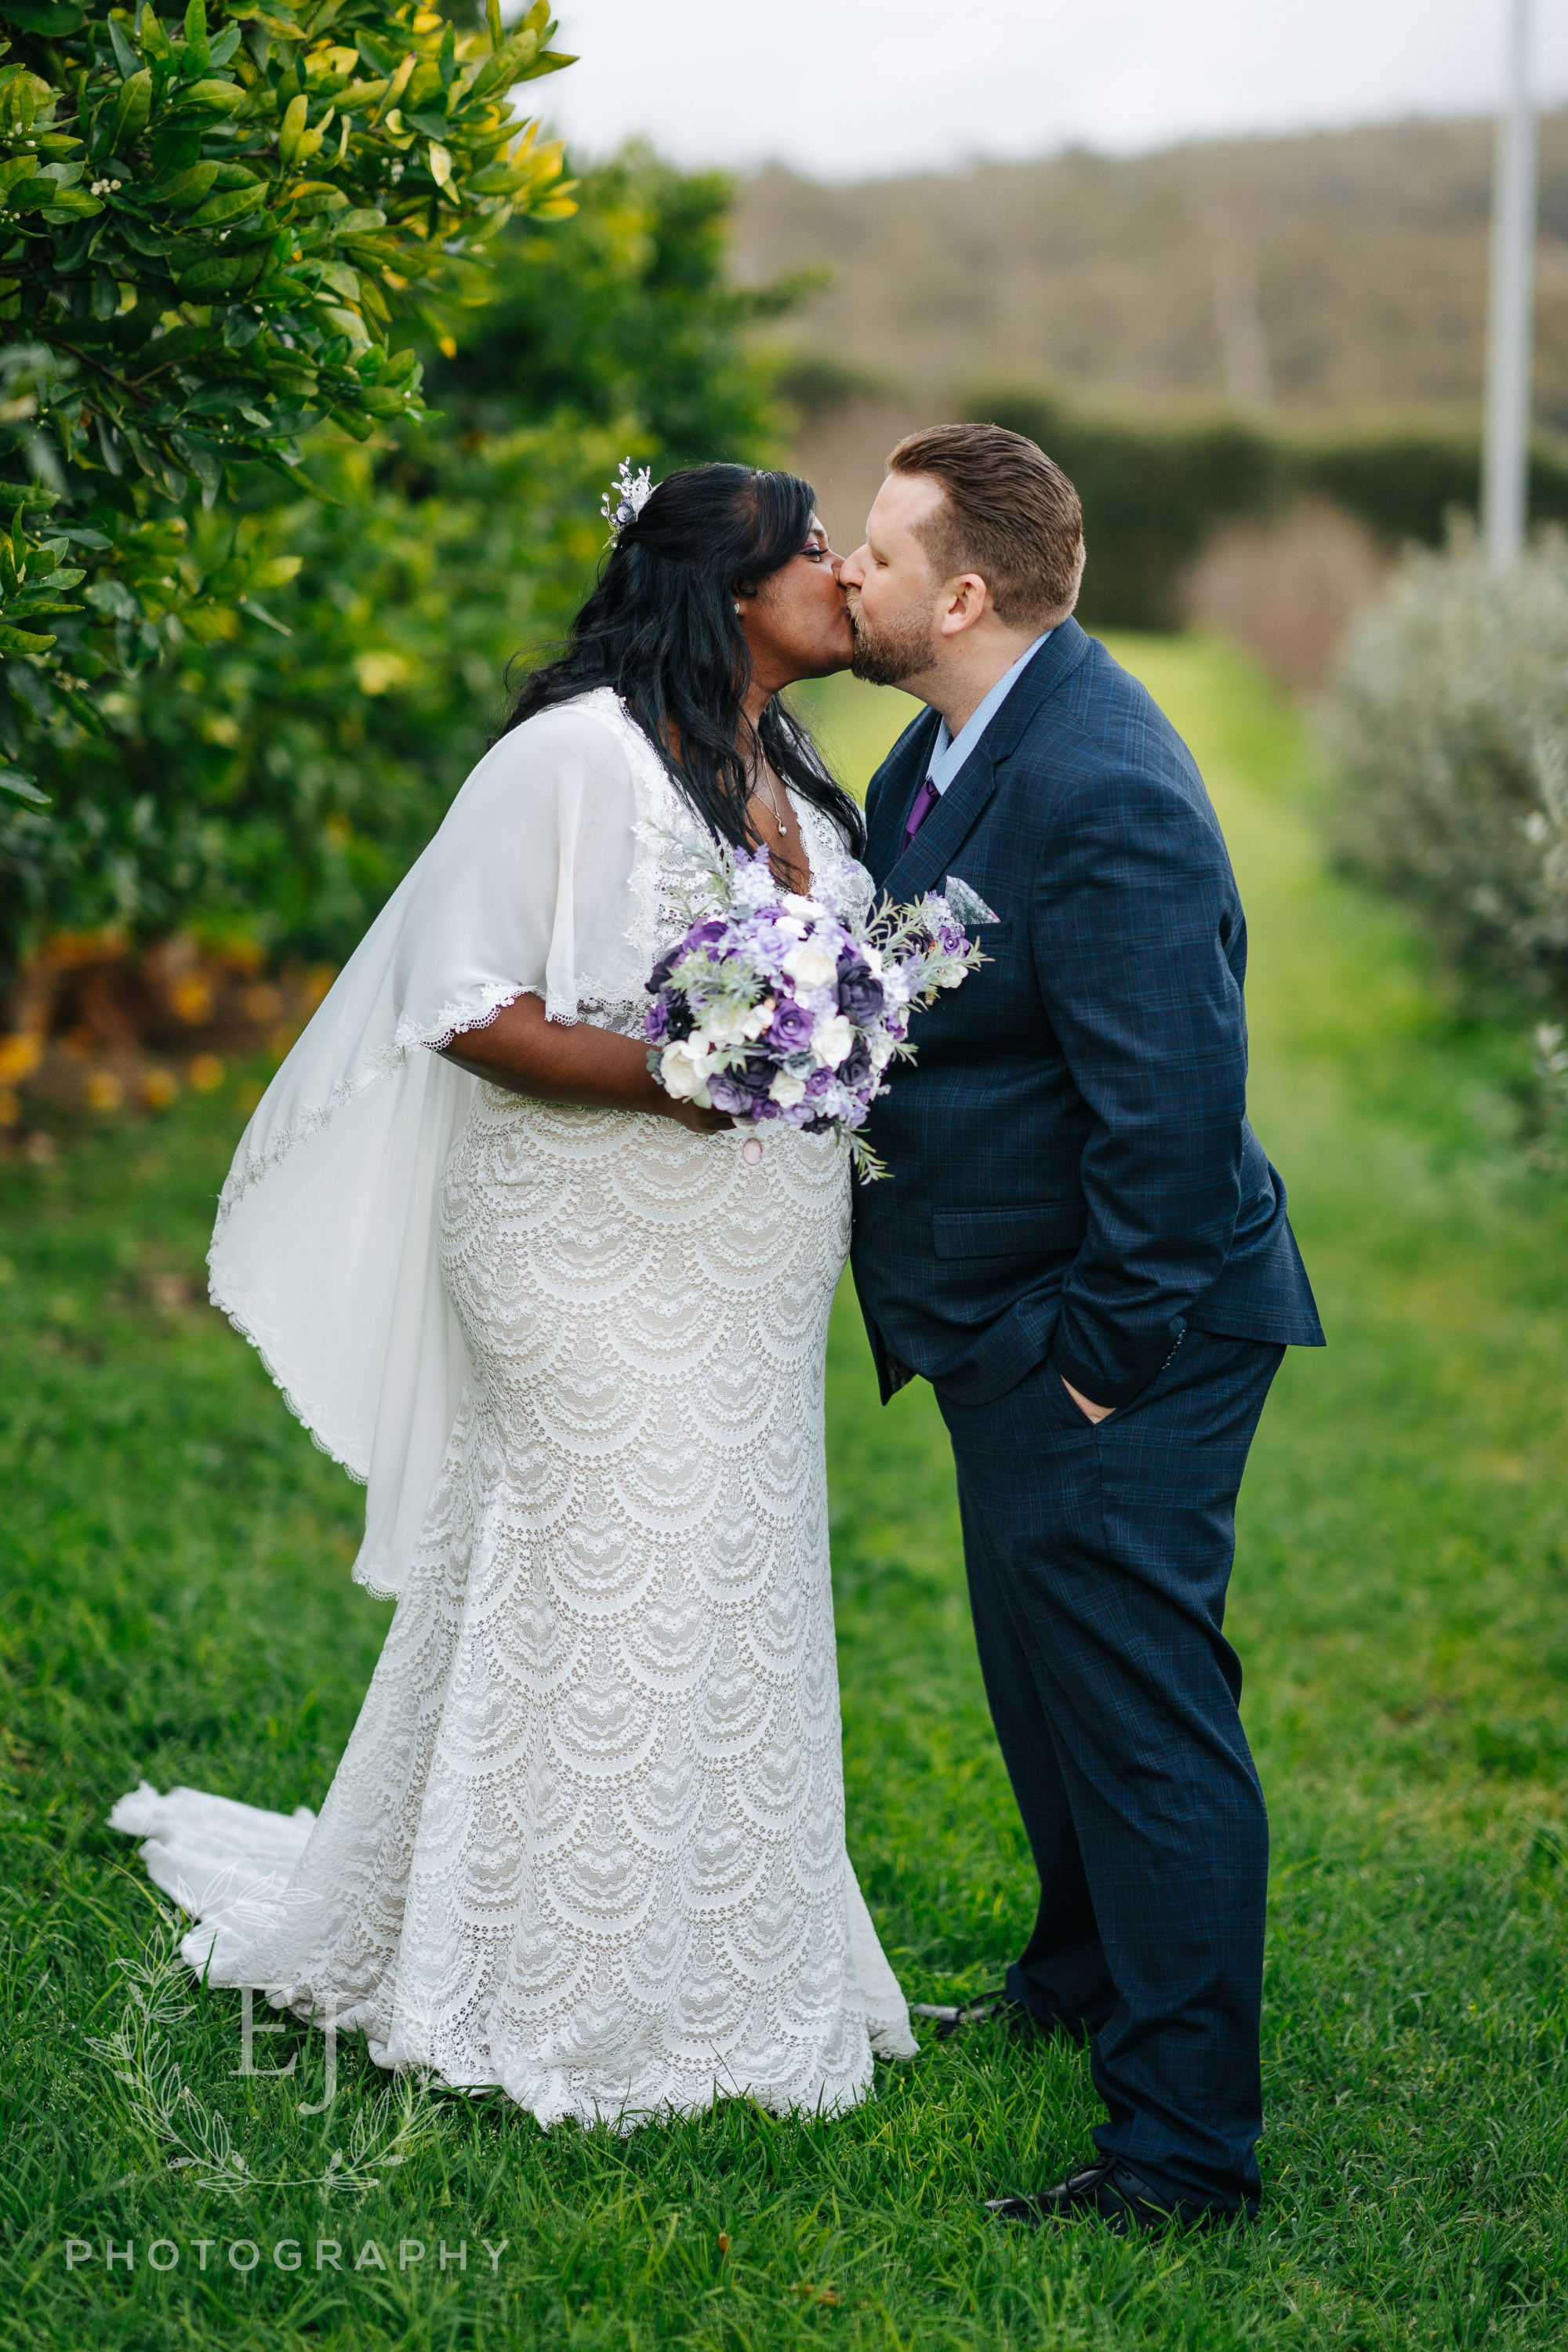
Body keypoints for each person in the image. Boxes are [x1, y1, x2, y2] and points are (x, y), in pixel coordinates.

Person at [111, 463, 916, 2129]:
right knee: (600, 1567)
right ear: (727, 589)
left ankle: (719, 1955)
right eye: (814, 551)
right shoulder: (573, 757)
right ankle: (541, 1978)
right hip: (578, 1238)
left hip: (750, 1259)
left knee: (725, 1582)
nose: (845, 578)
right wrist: (682, 1075)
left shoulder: (790, 766)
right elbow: (468, 1006)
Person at [840, 423, 1323, 2232]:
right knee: (1043, 1695)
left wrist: (1096, 1366)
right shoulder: (949, 739)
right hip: (1000, 1320)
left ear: (963, 593)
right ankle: (1080, 1972)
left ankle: (1182, 2155)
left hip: (1122, 1335)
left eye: (880, 553)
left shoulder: (1101, 784)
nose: (851, 573)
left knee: (1139, 1724)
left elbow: (1177, 1124)